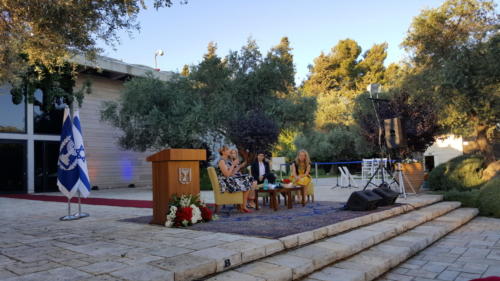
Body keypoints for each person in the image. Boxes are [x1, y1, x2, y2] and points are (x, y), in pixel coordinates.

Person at [216, 146, 257, 212]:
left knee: (249, 178)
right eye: (227, 149)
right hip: (226, 182)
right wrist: (233, 164)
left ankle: (244, 205)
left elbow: (231, 173)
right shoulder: (221, 161)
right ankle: (244, 205)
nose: (229, 150)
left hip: (230, 179)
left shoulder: (226, 160)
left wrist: (238, 166)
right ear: (223, 152)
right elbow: (227, 174)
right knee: (247, 181)